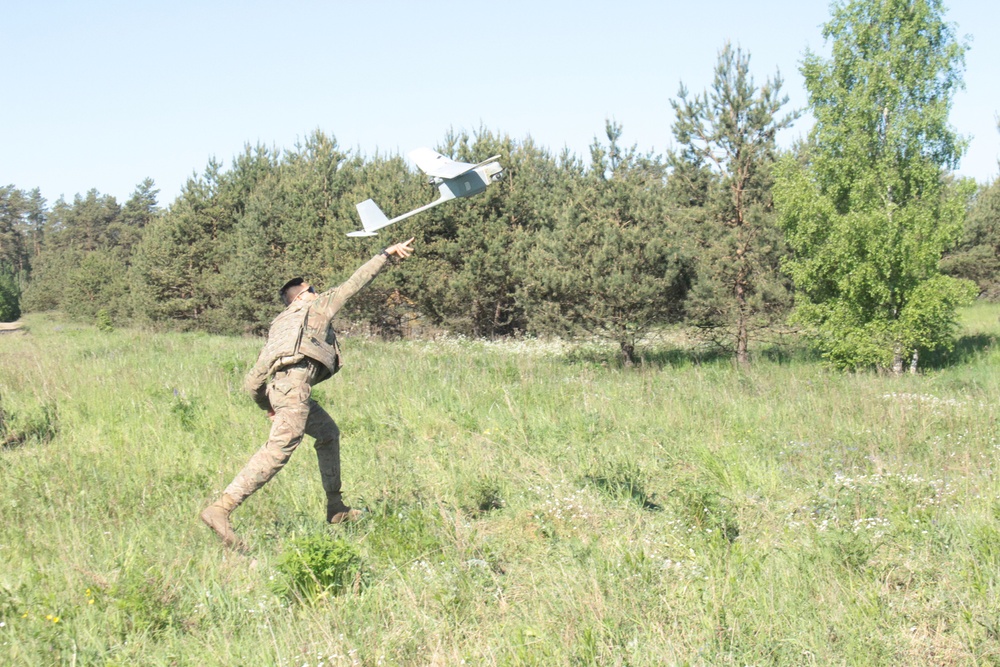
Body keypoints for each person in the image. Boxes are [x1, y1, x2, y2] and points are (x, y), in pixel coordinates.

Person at [201, 238, 415, 551]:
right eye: (312, 288)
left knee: (328, 433)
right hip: (296, 386)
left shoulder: (281, 323)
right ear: (304, 294)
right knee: (279, 448)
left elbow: (253, 381)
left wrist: (268, 404)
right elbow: (355, 282)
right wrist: (385, 255)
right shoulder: (316, 305)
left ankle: (336, 508)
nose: (318, 291)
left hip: (283, 389)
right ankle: (221, 509)